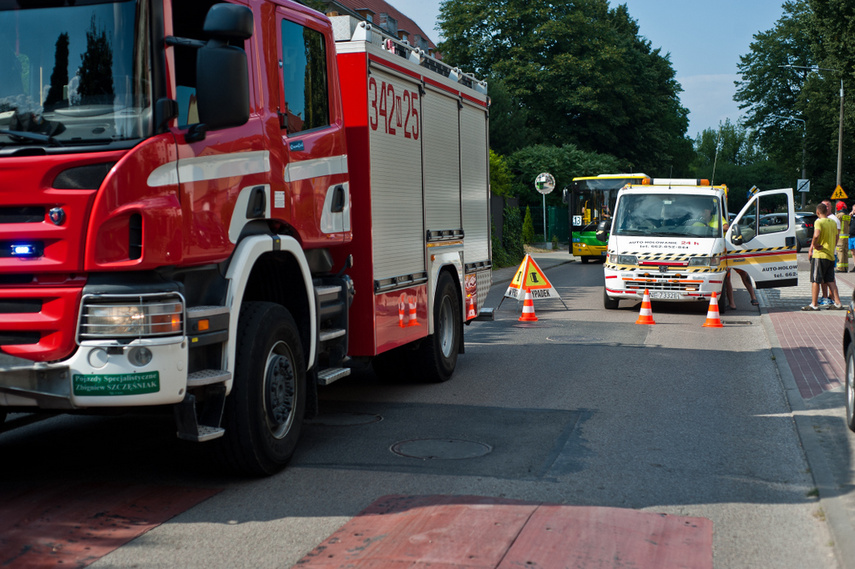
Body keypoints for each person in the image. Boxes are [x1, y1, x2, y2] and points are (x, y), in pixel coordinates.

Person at [803, 202, 845, 310]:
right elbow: (837, 237)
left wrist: (814, 244)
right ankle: (838, 303)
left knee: (815, 280)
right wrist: (832, 246)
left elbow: (816, 234)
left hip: (820, 255)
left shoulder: (819, 221)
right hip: (830, 254)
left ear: (817, 212)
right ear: (826, 211)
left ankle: (814, 304)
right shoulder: (833, 222)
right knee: (830, 280)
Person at [837, 200, 850, 272]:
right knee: (845, 252)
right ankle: (845, 267)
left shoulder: (839, 216)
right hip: (846, 237)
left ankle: (840, 268)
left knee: (840, 252)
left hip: (840, 237)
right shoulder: (847, 216)